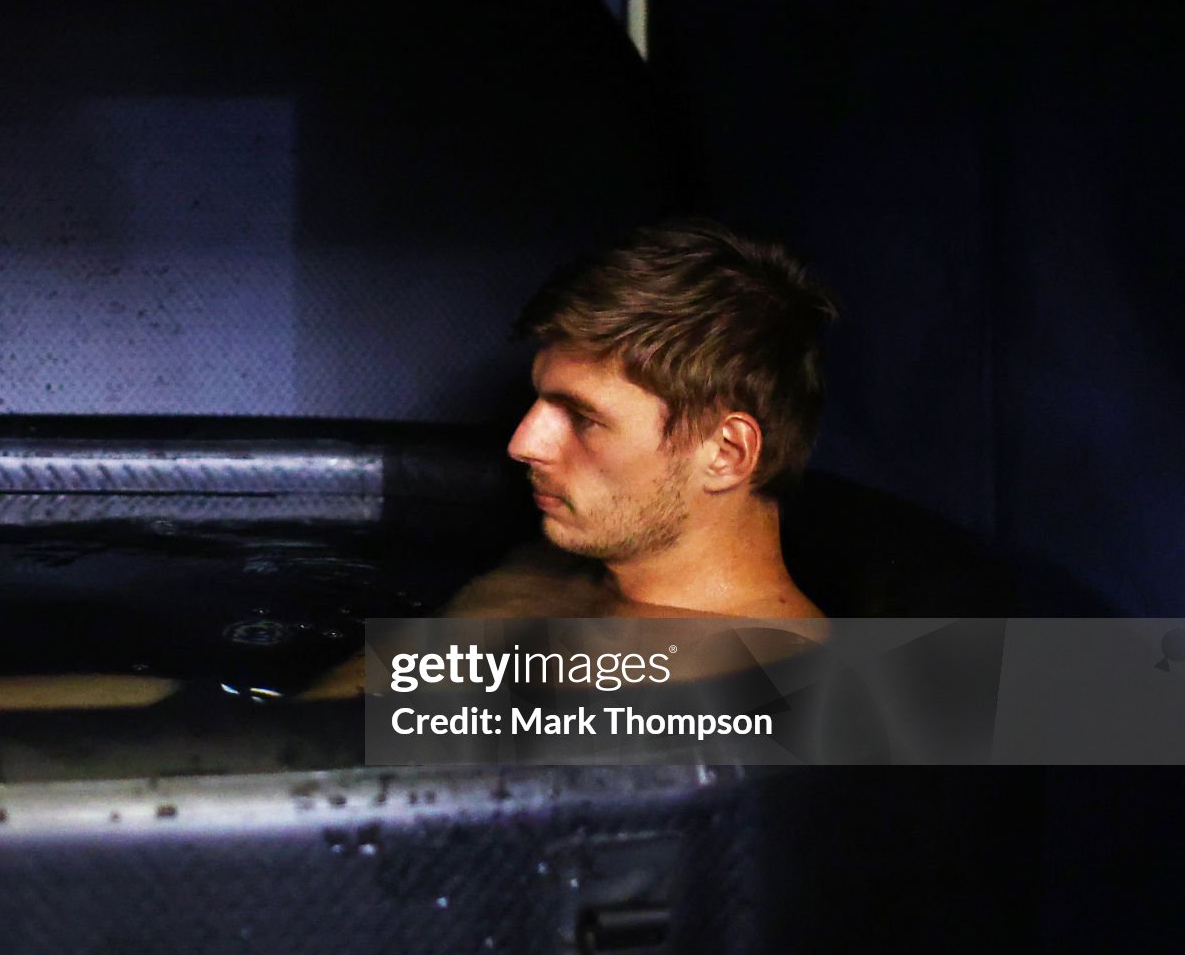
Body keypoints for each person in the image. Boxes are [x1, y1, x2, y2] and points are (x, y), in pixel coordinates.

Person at [303, 219, 839, 698]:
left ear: (725, 454)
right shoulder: (551, 565)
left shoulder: (769, 685)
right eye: (538, 399)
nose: (522, 444)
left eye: (583, 418)